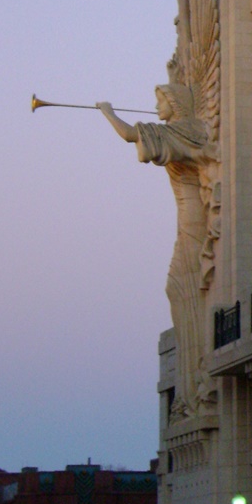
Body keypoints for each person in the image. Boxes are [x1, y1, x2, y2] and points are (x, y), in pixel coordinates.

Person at [97, 85, 220, 409]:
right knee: (179, 290)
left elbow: (128, 135)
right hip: (186, 218)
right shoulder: (183, 131)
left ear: (175, 102)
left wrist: (107, 111)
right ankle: (191, 386)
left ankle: (198, 385)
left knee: (180, 288)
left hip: (193, 218)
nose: (155, 106)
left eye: (161, 100)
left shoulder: (183, 131)